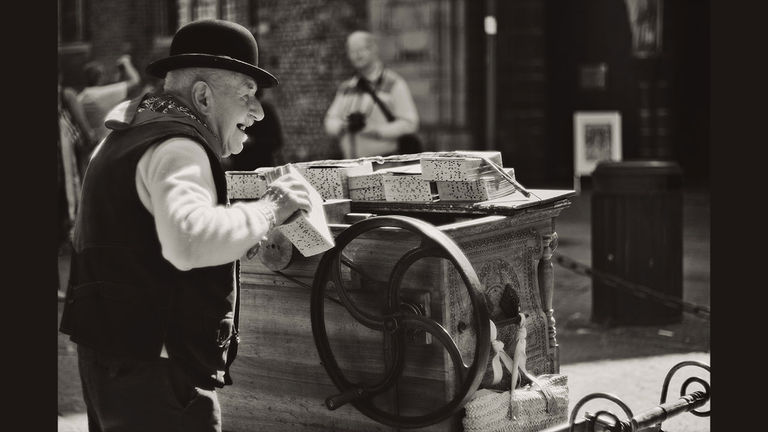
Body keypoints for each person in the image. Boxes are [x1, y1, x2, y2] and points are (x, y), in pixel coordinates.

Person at [59, 19, 313, 432]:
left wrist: (239, 236)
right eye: (247, 94)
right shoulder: (179, 145)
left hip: (111, 359)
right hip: (156, 375)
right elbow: (188, 241)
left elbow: (138, 240)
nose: (259, 111)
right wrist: (270, 209)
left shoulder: (129, 131)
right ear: (202, 97)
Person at [324, 30, 419, 158]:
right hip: (352, 164)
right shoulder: (347, 87)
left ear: (374, 49)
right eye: (352, 51)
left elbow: (410, 123)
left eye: (362, 49)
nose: (357, 55)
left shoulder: (393, 83)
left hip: (386, 164)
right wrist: (344, 126)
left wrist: (376, 131)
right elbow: (330, 120)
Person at [78, 54, 142, 145]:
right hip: (106, 145)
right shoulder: (98, 95)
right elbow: (135, 81)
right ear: (100, 77)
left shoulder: (82, 96)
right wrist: (126, 61)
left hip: (93, 145)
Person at [223, 88, 284, 171]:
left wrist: (253, 141)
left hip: (262, 166)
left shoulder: (267, 112)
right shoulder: (237, 111)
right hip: (240, 168)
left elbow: (276, 141)